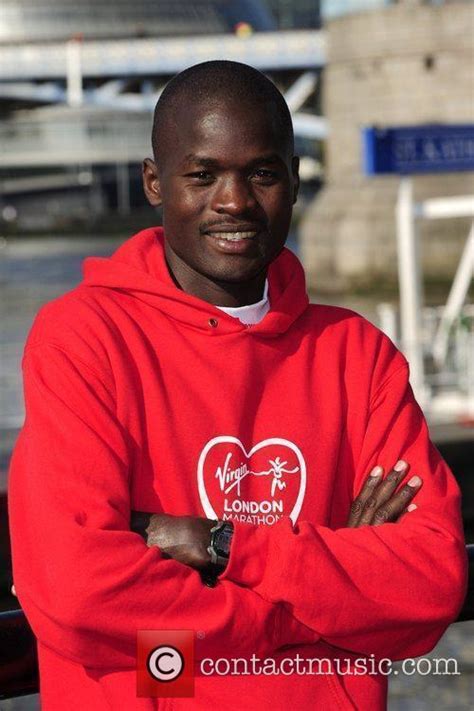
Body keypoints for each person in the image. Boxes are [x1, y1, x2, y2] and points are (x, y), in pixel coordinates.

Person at [8, 61, 466, 710]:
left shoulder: (357, 356)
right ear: (155, 182)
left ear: (294, 180)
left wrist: (218, 542)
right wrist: (322, 615)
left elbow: (430, 580)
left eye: (261, 172)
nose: (234, 201)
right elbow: (79, 594)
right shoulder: (84, 340)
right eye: (202, 174)